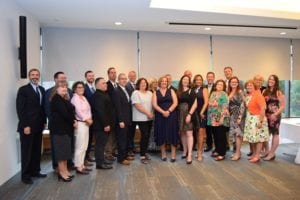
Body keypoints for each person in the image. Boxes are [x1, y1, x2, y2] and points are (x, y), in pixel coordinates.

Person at [16, 68, 47, 184]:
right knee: (27, 152)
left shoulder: (42, 89)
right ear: (29, 77)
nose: (35, 76)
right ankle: (25, 176)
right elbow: (20, 109)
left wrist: (44, 122)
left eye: (37, 75)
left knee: (36, 150)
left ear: (39, 76)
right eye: (33, 75)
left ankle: (35, 171)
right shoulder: (23, 90)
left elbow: (42, 109)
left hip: (39, 126)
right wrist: (25, 125)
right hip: (27, 127)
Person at [45, 71, 73, 170]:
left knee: (66, 147)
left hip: (67, 126)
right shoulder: (49, 92)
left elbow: (70, 108)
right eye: (61, 78)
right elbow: (48, 110)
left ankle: (67, 166)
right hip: (57, 125)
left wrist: (72, 120)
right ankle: (57, 166)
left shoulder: (69, 91)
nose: (63, 79)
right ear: (55, 79)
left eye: (64, 78)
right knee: (57, 148)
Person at [50, 81, 77, 182]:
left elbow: (70, 112)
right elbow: (65, 113)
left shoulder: (64, 99)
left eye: (66, 87)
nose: (64, 89)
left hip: (66, 129)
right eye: (62, 87)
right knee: (61, 153)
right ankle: (61, 173)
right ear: (56, 89)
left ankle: (65, 170)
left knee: (66, 152)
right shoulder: (56, 99)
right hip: (59, 130)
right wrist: (73, 120)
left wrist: (73, 120)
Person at [152, 76, 178, 162]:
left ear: (167, 83)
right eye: (162, 81)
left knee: (172, 133)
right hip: (160, 115)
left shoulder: (171, 91)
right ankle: (163, 154)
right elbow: (154, 105)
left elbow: (175, 103)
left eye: (165, 81)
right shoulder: (155, 92)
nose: (164, 82)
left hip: (171, 115)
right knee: (161, 133)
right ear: (159, 83)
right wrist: (163, 112)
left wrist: (168, 111)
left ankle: (173, 155)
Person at [91, 77, 115, 170]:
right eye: (103, 83)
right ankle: (99, 164)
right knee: (100, 145)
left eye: (106, 83)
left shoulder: (103, 94)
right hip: (100, 126)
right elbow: (100, 111)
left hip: (104, 125)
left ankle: (102, 160)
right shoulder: (97, 95)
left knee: (102, 144)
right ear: (97, 85)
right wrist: (106, 124)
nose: (106, 85)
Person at [243, 80, 269, 163]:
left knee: (258, 138)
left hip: (257, 119)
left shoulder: (258, 95)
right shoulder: (248, 95)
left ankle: (257, 156)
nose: (249, 87)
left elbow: (263, 108)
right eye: (247, 85)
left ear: (255, 86)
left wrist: (260, 121)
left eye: (251, 85)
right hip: (250, 119)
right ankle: (254, 154)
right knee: (252, 138)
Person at [71, 81, 93, 174]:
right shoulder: (75, 98)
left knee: (85, 146)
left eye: (82, 87)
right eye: (79, 87)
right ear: (75, 89)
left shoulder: (83, 97)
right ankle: (78, 166)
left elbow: (89, 110)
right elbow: (78, 111)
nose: (81, 89)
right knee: (80, 146)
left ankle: (82, 164)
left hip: (86, 123)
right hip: (80, 124)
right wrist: (86, 119)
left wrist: (90, 119)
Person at [263, 75, 286, 161]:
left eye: (273, 80)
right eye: (269, 79)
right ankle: (267, 151)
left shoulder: (278, 92)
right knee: (265, 134)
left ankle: (272, 153)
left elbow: (283, 106)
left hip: (275, 116)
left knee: (275, 134)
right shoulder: (265, 91)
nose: (271, 81)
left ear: (276, 81)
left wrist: (275, 114)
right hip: (266, 115)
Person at [131, 78, 154, 164]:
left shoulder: (150, 93)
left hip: (149, 118)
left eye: (145, 82)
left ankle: (144, 152)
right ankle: (142, 156)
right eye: (141, 83)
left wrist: (151, 114)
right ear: (138, 84)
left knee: (147, 136)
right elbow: (138, 105)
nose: (143, 84)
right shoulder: (136, 93)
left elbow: (153, 104)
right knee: (145, 135)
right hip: (141, 118)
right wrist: (148, 113)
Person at [207, 80, 230, 161]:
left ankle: (222, 153)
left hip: (221, 118)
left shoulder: (224, 94)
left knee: (221, 136)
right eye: (218, 84)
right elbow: (209, 103)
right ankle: (217, 150)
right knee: (215, 135)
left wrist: (222, 118)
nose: (219, 85)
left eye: (221, 84)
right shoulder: (213, 93)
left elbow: (225, 107)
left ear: (223, 86)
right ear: (215, 85)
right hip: (212, 118)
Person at [177, 75, 197, 164]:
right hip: (180, 114)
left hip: (188, 113)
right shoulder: (178, 91)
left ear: (189, 81)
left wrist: (189, 114)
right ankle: (185, 151)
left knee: (189, 133)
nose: (185, 81)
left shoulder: (191, 91)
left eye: (187, 80)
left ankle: (189, 154)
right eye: (184, 79)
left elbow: (195, 104)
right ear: (181, 81)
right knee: (182, 133)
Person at [113, 73, 132, 165]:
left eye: (125, 79)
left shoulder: (127, 89)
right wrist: (120, 120)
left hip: (127, 119)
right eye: (122, 79)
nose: (124, 80)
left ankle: (124, 155)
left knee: (126, 138)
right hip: (121, 121)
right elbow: (118, 107)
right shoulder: (116, 91)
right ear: (118, 80)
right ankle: (121, 159)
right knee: (121, 140)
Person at [228, 77, 246, 161]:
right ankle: (237, 152)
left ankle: (238, 153)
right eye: (232, 82)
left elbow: (243, 104)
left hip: (238, 115)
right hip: (232, 115)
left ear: (238, 83)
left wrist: (240, 117)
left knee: (238, 134)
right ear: (230, 83)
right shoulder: (229, 91)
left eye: (235, 82)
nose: (234, 83)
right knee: (235, 134)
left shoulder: (240, 92)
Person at [192, 74, 208, 161]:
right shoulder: (193, 89)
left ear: (202, 81)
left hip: (202, 113)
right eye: (197, 80)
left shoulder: (204, 89)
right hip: (194, 113)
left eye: (200, 80)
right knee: (197, 133)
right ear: (194, 81)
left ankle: (200, 153)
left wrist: (202, 112)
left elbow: (206, 102)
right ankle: (198, 150)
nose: (198, 81)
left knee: (201, 133)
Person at [105, 67, 118, 161]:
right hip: (110, 115)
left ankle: (113, 152)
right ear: (108, 74)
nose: (113, 74)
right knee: (110, 136)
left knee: (115, 135)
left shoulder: (117, 85)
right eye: (111, 73)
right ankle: (108, 154)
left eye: (115, 72)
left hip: (117, 115)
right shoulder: (106, 85)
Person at [83, 70, 96, 164]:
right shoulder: (83, 88)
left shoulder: (94, 88)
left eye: (92, 76)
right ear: (86, 77)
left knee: (90, 138)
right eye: (89, 76)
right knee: (84, 140)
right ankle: (83, 158)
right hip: (86, 119)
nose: (91, 77)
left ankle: (87, 156)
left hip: (93, 118)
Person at [125, 70, 137, 156]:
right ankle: (129, 149)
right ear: (128, 77)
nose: (133, 77)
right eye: (131, 76)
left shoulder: (137, 85)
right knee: (129, 132)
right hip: (129, 113)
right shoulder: (126, 86)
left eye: (134, 76)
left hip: (136, 113)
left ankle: (132, 147)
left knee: (132, 132)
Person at [204, 71, 215, 152]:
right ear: (206, 78)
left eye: (211, 77)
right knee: (208, 130)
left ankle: (218, 146)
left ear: (214, 78)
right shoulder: (203, 87)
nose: (210, 78)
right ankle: (209, 145)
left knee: (215, 130)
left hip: (215, 112)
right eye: (208, 77)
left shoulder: (217, 87)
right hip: (206, 111)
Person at [148, 77, 160, 152]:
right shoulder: (149, 92)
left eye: (156, 82)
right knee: (151, 130)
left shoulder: (158, 91)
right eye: (153, 82)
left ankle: (157, 146)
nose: (155, 84)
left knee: (157, 130)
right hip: (151, 113)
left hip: (158, 113)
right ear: (150, 84)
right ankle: (151, 147)